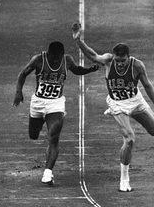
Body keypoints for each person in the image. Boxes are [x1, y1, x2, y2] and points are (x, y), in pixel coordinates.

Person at [72, 22, 154, 192]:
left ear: (129, 57)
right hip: (117, 104)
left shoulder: (137, 65)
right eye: (118, 60)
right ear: (114, 57)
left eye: (123, 61)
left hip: (136, 101)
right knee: (130, 139)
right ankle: (124, 179)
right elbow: (93, 56)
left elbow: (148, 87)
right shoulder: (109, 60)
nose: (121, 64)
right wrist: (79, 41)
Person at [14, 41, 98, 185]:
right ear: (48, 53)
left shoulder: (67, 60)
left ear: (62, 55)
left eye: (58, 58)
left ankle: (48, 172)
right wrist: (18, 92)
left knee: (54, 136)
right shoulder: (38, 59)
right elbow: (23, 73)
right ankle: (40, 121)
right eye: (54, 57)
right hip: (38, 103)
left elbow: (76, 70)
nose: (56, 60)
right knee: (33, 135)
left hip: (56, 103)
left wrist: (89, 70)